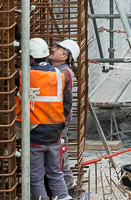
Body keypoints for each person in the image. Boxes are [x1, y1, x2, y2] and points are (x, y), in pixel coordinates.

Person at [18, 37, 72, 200]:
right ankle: (63, 197)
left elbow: (3, 75)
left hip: (36, 132)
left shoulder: (24, 75)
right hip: (55, 132)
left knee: (36, 176)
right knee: (56, 173)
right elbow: (67, 104)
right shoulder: (60, 75)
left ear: (30, 57)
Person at [48, 39, 81, 198]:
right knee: (59, 151)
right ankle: (68, 186)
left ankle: (68, 188)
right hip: (57, 119)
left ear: (64, 57)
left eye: (58, 48)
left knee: (60, 153)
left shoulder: (62, 72)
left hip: (58, 121)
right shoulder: (60, 70)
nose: (53, 49)